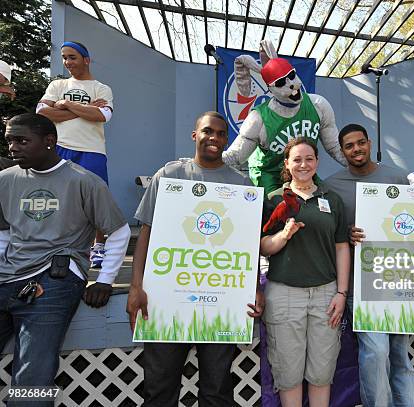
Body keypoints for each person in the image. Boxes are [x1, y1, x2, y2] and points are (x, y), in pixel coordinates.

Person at [126, 111, 264, 406]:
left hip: (220, 303)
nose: (214, 138)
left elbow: (248, 245)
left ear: (227, 140)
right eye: (207, 131)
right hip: (165, 302)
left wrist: (255, 288)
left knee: (217, 391)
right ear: (195, 135)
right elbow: (146, 235)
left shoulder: (241, 184)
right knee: (159, 390)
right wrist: (135, 286)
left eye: (221, 133)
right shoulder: (169, 176)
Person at [0, 113, 129, 400]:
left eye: (22, 140)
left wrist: (104, 280)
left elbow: (118, 231)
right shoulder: (5, 180)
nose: (13, 148)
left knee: (33, 372)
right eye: (9, 141)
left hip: (55, 280)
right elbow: (4, 231)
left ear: (49, 141)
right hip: (8, 278)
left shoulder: (84, 181)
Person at [325, 123, 414, 407]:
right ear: (342, 152)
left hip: (399, 281)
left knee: (400, 356)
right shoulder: (332, 186)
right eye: (349, 146)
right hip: (361, 284)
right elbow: (329, 234)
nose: (356, 149)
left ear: (369, 142)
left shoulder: (399, 178)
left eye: (360, 143)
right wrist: (347, 233)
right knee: (376, 354)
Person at [260, 138, 350, 407]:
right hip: (285, 293)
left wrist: (342, 292)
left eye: (309, 158)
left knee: (322, 369)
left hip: (325, 294)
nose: (303, 164)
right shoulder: (274, 199)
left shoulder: (331, 198)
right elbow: (263, 247)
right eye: (296, 159)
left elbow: (342, 247)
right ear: (287, 164)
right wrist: (283, 236)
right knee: (288, 370)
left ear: (317, 162)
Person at [223, 40, 346, 196]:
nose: (292, 84)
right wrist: (203, 163)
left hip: (304, 172)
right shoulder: (258, 118)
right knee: (275, 210)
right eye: (281, 82)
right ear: (271, 89)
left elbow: (334, 147)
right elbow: (236, 156)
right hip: (269, 175)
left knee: (327, 201)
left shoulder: (318, 105)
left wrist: (361, 166)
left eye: (292, 75)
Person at [37, 41, 114, 268]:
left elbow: (103, 116)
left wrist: (66, 104)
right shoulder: (58, 84)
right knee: (57, 198)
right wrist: (85, 109)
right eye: (64, 57)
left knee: (97, 200)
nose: (68, 62)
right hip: (61, 148)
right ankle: (57, 246)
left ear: (86, 59)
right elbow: (42, 112)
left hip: (93, 151)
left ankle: (98, 247)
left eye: (73, 57)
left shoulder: (102, 88)